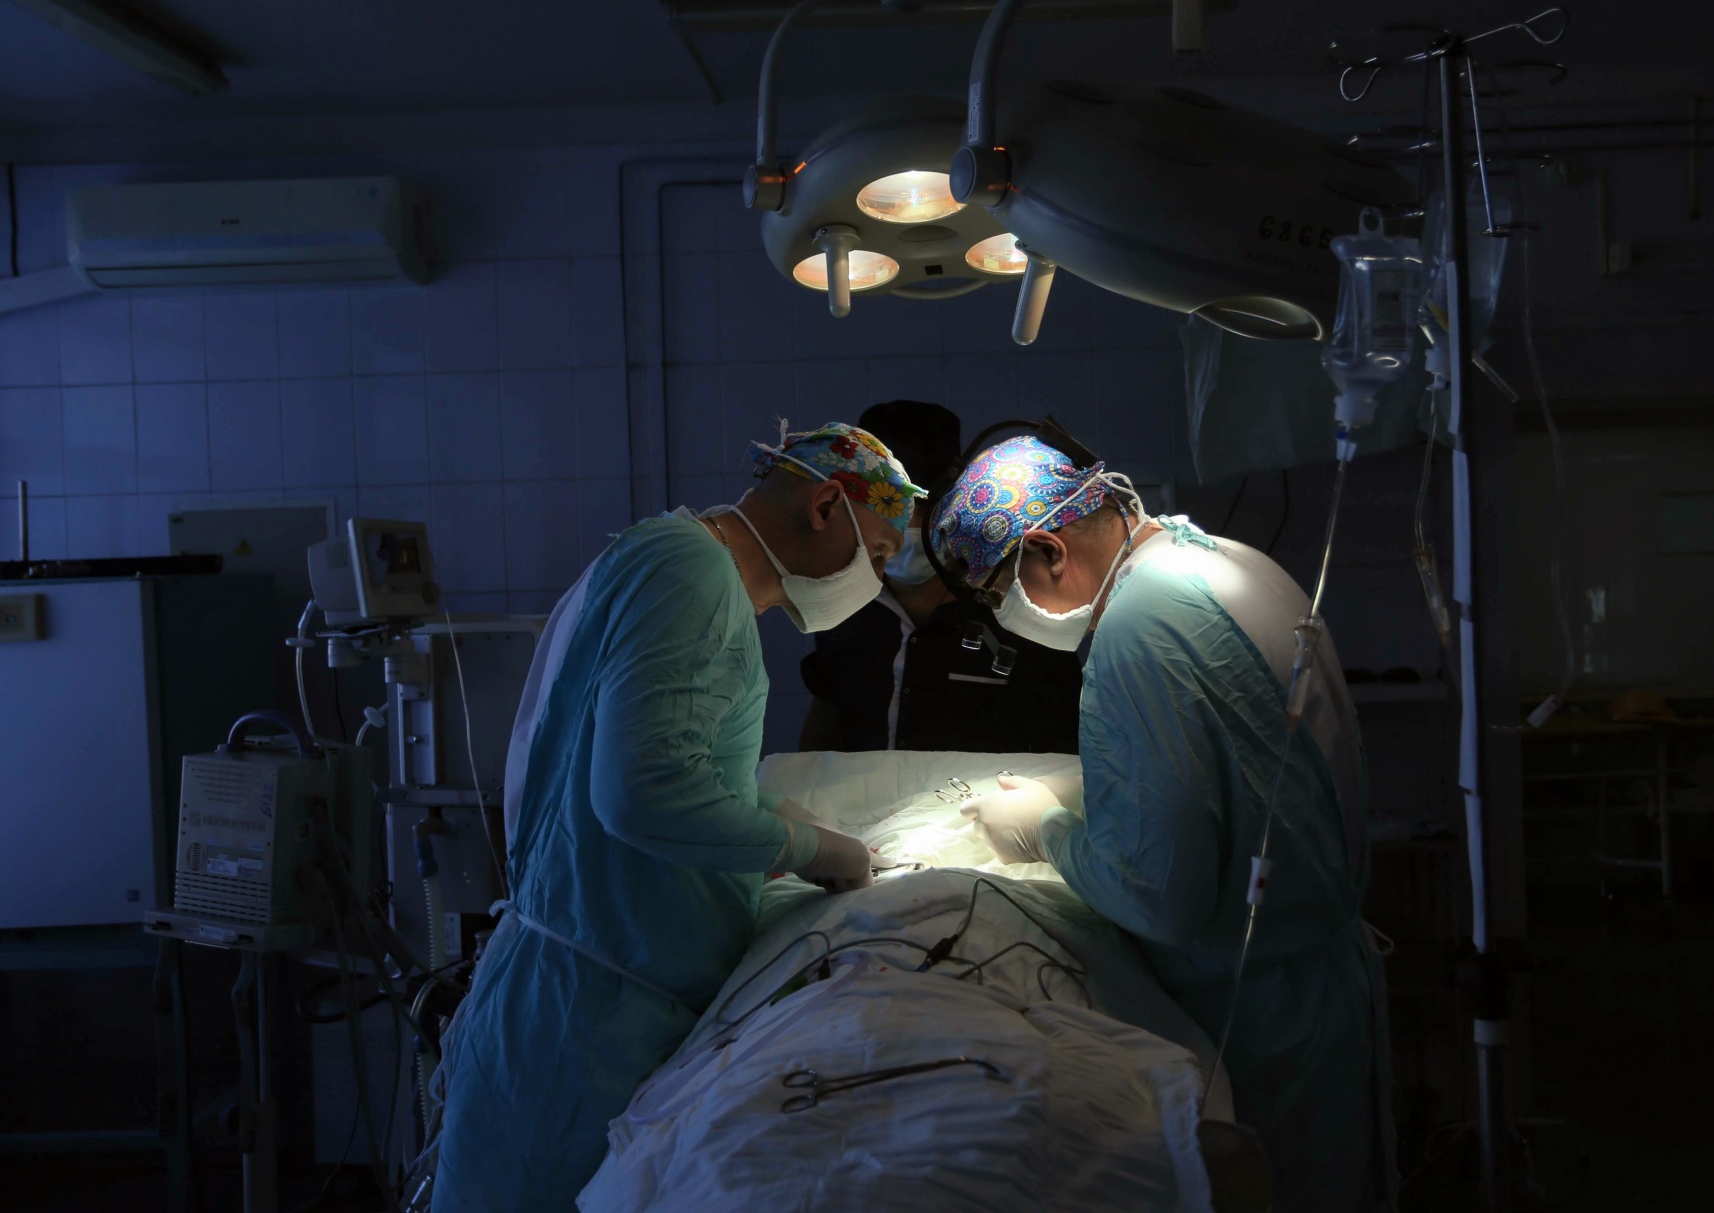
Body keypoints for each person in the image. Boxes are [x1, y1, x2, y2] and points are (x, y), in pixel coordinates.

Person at [432, 422, 923, 1212]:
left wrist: (759, 811)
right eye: (880, 550)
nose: (878, 577)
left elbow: (648, 765)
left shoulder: (682, 562)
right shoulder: (693, 574)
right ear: (827, 506)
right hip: (587, 1016)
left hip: (597, 989)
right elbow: (643, 794)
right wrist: (812, 848)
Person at [932, 435, 1393, 1212]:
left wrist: (1047, 831)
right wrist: (1105, 787)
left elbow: (1160, 896)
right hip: (1317, 979)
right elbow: (1244, 765)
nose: (1005, 617)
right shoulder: (1222, 560)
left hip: (1257, 1014)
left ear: (1047, 550)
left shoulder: (1138, 626)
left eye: (999, 593)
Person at [799, 400, 1083, 755]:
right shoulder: (846, 609)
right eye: (893, 509)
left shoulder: (1015, 612)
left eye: (923, 508)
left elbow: (1066, 744)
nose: (910, 526)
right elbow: (825, 716)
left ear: (953, 502)